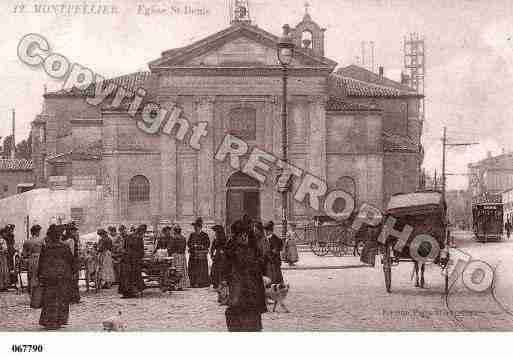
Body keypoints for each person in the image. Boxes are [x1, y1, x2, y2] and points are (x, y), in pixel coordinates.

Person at [222, 219, 267, 332]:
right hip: (237, 287)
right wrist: (225, 282)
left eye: (245, 235)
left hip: (252, 288)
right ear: (236, 236)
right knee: (236, 311)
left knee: (252, 314)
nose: (243, 237)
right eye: (240, 235)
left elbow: (260, 265)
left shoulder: (253, 249)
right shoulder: (231, 249)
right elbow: (226, 269)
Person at [37, 224, 75, 330]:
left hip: (49, 276)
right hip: (63, 275)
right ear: (59, 236)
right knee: (62, 297)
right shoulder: (65, 246)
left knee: (49, 298)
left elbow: (41, 262)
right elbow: (71, 261)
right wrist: (73, 272)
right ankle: (60, 320)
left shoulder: (46, 247)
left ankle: (48, 320)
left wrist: (39, 275)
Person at [118, 224, 146, 298]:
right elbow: (141, 251)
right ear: (142, 231)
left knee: (125, 276)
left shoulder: (128, 236)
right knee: (134, 276)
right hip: (134, 260)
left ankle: (126, 293)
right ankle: (134, 292)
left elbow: (124, 248)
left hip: (126, 258)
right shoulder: (139, 238)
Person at [187, 218, 210, 288]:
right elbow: (188, 243)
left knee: (201, 269)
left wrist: (200, 246)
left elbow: (207, 244)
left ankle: (201, 283)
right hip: (193, 255)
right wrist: (192, 246)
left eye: (196, 227)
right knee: (193, 269)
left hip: (201, 256)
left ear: (200, 227)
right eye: (194, 227)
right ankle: (193, 282)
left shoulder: (204, 235)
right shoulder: (192, 235)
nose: (195, 228)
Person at [22, 225, 43, 297]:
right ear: (37, 232)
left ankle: (32, 293)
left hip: (31, 259)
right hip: (40, 259)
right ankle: (39, 294)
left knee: (31, 276)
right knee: (39, 276)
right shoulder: (41, 240)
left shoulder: (27, 241)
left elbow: (24, 254)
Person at [62, 223, 81, 304]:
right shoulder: (71, 240)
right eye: (74, 230)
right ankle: (74, 297)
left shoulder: (63, 239)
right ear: (70, 231)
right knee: (73, 279)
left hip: (65, 261)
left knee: (68, 279)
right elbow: (72, 252)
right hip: (72, 261)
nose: (75, 232)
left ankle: (69, 296)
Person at [168, 225, 189, 290]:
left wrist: (169, 253)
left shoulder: (173, 238)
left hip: (175, 256)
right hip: (182, 256)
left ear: (175, 231)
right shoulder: (183, 238)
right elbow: (184, 247)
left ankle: (175, 285)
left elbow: (170, 248)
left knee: (175, 270)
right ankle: (181, 285)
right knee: (182, 270)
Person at [210, 224, 227, 289]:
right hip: (217, 255)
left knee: (220, 269)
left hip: (222, 255)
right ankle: (216, 283)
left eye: (216, 231)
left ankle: (219, 283)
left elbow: (225, 247)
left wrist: (222, 251)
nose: (215, 233)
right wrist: (212, 254)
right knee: (215, 269)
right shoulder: (216, 238)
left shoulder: (223, 238)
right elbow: (213, 247)